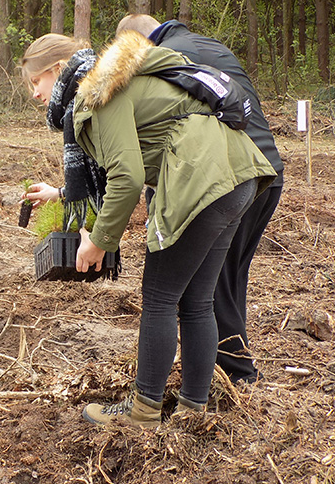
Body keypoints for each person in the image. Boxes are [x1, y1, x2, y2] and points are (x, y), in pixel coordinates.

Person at [19, 31, 277, 427]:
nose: (35, 94)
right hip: (236, 177)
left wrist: (100, 243)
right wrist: (65, 196)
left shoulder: (97, 94)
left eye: (35, 82)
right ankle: (193, 409)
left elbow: (126, 177)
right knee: (197, 301)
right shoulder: (118, 80)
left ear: (56, 69)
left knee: (159, 297)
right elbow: (128, 166)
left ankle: (143, 410)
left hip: (203, 180)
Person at [115, 14, 285, 384]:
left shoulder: (166, 59)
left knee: (204, 291)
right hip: (265, 171)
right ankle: (220, 376)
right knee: (227, 281)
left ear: (136, 44)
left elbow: (174, 131)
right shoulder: (206, 44)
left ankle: (235, 377)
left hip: (225, 175)